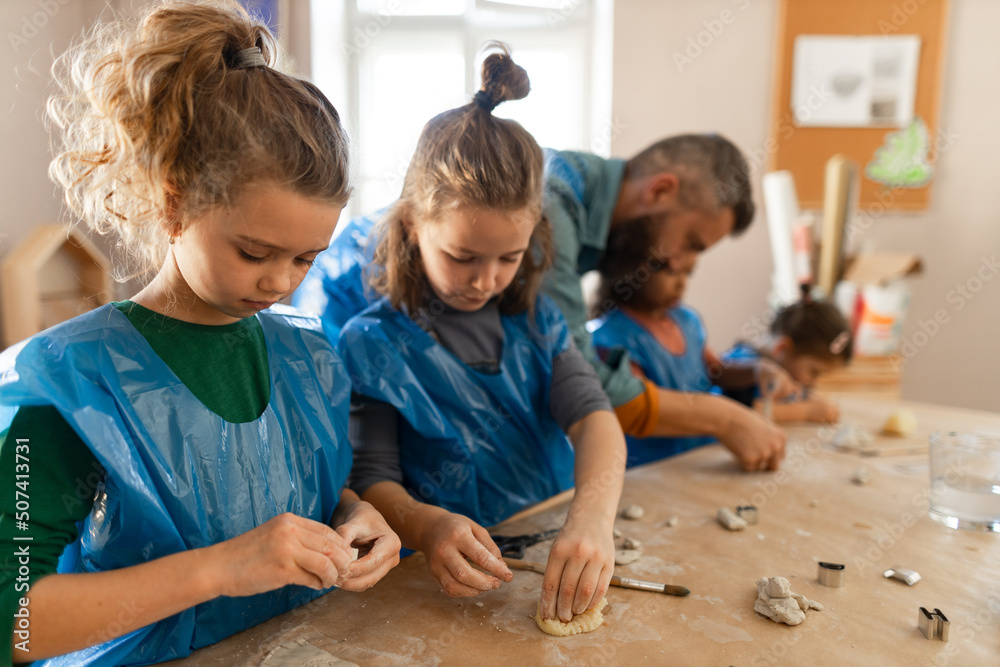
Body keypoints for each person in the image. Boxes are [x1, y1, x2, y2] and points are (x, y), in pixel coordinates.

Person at [1, 3, 399, 664]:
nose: (281, 283)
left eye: (305, 258)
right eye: (254, 251)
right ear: (173, 199)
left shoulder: (309, 355)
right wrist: (221, 569)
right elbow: (13, 618)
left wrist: (355, 516)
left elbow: (295, 497)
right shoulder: (71, 381)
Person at [336, 45, 626, 626]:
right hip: (441, 579)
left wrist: (592, 519)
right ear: (414, 224)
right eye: (463, 256)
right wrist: (425, 522)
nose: (485, 280)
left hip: (544, 545)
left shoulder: (537, 320)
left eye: (508, 258)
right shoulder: (370, 345)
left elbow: (596, 420)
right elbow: (375, 482)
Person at [295, 135, 787, 471]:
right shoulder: (554, 204)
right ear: (660, 191)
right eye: (693, 242)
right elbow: (587, 375)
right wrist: (721, 416)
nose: (682, 263)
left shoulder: (569, 224)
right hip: (344, 331)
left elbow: (577, 385)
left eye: (508, 259)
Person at [588, 216, 797, 467]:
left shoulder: (687, 320)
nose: (682, 283)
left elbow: (714, 370)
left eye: (689, 273)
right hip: (651, 469)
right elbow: (638, 407)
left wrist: (757, 369)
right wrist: (725, 417)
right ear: (633, 269)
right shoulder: (609, 337)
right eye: (671, 272)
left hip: (698, 458)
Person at [720, 287, 852, 424]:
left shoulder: (788, 371)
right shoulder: (743, 364)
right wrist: (806, 411)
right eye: (814, 372)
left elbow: (792, 399)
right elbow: (742, 414)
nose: (814, 382)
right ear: (783, 349)